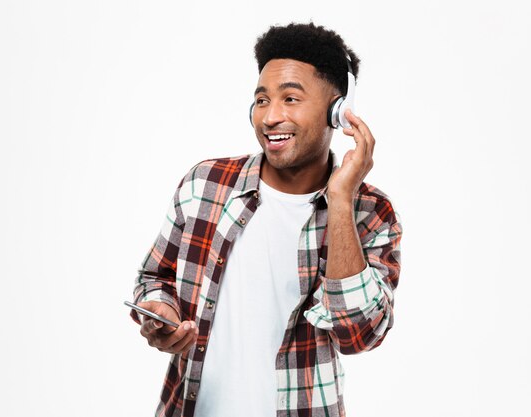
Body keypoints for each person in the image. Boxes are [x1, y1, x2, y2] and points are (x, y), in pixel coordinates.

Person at [130, 22, 403, 417]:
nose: (270, 117)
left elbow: (359, 335)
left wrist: (340, 200)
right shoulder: (205, 184)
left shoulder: (371, 211)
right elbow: (154, 279)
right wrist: (161, 314)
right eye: (262, 100)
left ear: (338, 111)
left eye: (291, 99)